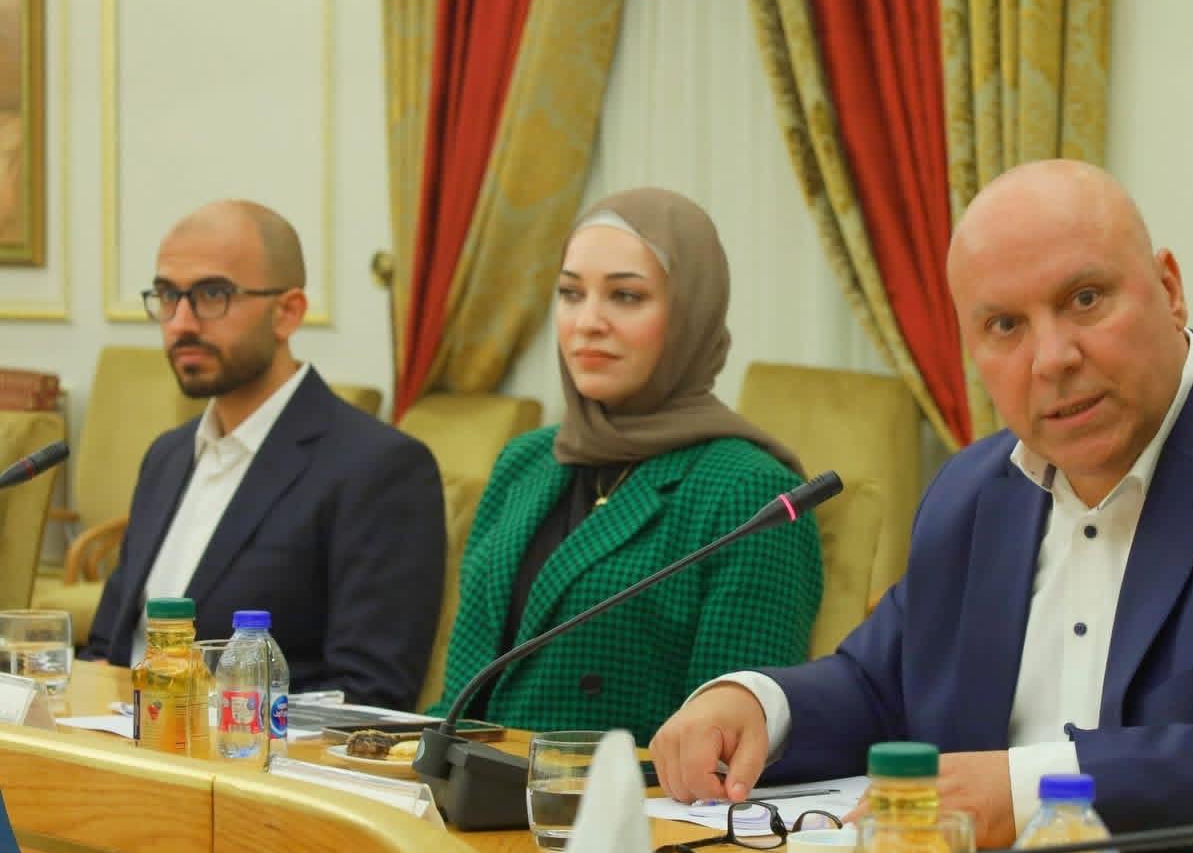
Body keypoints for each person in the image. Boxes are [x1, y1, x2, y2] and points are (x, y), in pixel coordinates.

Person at [650, 160, 1193, 853]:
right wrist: (758, 705)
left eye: (1086, 300)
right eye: (1005, 326)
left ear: (1170, 289)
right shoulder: (974, 491)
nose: (1053, 359)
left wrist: (1031, 790)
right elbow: (883, 683)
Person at [430, 188, 823, 743]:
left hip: (623, 796)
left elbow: (724, 744)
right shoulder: (525, 462)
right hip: (464, 785)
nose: (588, 322)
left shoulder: (749, 491)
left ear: (690, 314)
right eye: (570, 293)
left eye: (626, 296)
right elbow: (460, 695)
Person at [85, 200, 446, 709]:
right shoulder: (166, 456)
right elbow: (109, 650)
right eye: (167, 295)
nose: (181, 322)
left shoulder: (378, 467)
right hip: (120, 746)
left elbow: (370, 696)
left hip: (253, 756)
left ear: (287, 313)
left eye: (212, 294)